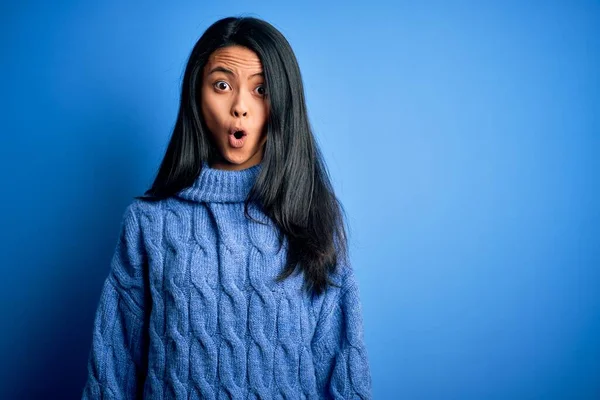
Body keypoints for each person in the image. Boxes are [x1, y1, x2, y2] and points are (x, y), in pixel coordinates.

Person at [81, 16, 372, 399]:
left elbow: (342, 367)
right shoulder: (148, 223)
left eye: (261, 89)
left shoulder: (313, 215)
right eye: (222, 85)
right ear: (196, 96)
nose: (240, 107)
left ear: (283, 102)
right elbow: (113, 369)